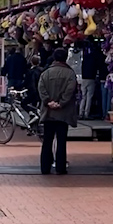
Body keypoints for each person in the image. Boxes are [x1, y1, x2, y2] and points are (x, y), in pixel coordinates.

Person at [37, 47, 79, 175]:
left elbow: (41, 88)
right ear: (65, 58)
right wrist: (61, 103)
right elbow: (70, 90)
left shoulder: (46, 73)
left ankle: (45, 167)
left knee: (47, 141)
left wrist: (48, 101)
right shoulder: (70, 73)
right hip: (63, 113)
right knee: (61, 141)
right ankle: (61, 167)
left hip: (48, 113)